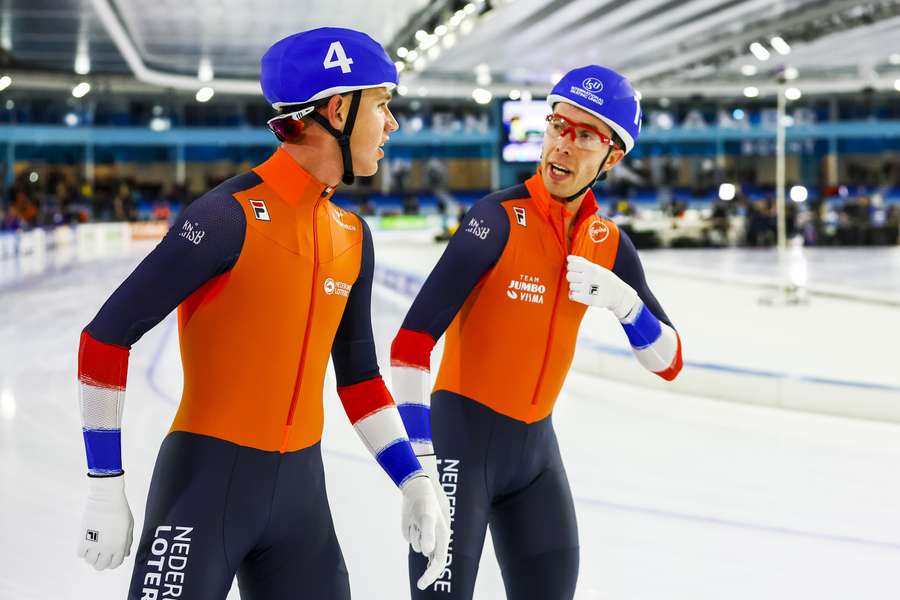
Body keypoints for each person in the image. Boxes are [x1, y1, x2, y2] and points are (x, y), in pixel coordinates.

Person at [75, 27, 449, 599]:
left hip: (301, 498)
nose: (392, 124)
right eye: (382, 104)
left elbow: (361, 380)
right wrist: (105, 482)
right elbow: (103, 341)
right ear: (339, 109)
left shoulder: (352, 236)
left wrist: (414, 479)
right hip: (203, 486)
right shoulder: (227, 217)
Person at [390, 65, 683, 599]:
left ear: (612, 156)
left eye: (584, 134)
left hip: (535, 457)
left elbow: (668, 361)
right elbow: (409, 346)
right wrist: (421, 467)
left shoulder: (610, 244)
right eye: (556, 126)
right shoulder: (495, 219)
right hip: (461, 445)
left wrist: (625, 303)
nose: (563, 146)